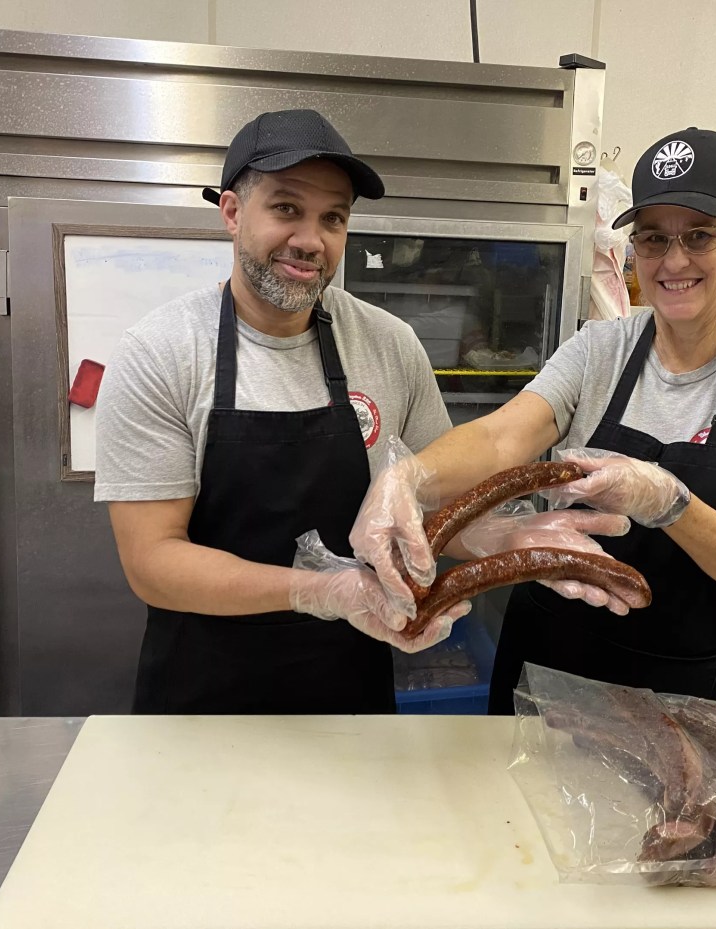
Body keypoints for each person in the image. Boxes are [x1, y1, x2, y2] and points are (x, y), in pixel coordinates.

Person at [350, 127, 716, 712]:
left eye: (700, 235)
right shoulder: (597, 349)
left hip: (689, 690)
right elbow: (502, 435)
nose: (674, 260)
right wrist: (405, 479)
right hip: (552, 672)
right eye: (654, 238)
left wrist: (668, 502)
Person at [94, 109, 464, 715]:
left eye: (333, 218)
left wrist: (512, 532)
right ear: (234, 213)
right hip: (203, 697)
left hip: (351, 687)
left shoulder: (389, 345)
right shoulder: (160, 351)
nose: (310, 241)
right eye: (287, 209)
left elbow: (441, 498)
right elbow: (153, 562)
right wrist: (324, 591)